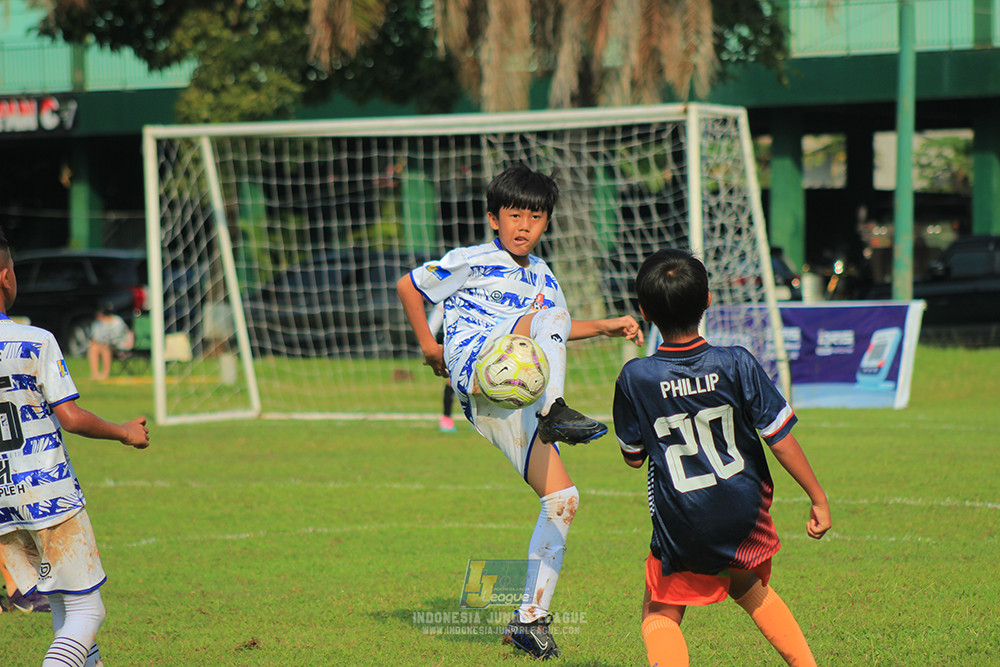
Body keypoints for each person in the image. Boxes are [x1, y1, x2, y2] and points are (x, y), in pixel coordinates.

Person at [398, 163, 643, 660]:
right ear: (494, 218)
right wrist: (429, 347)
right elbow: (409, 286)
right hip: (477, 363)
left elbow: (551, 327)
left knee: (564, 500)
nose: (523, 225)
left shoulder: (544, 277)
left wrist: (606, 327)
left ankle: (528, 622)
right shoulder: (474, 260)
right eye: (514, 215)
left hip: (511, 392)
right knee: (547, 315)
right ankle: (555, 410)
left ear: (547, 222)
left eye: (535, 216)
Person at [612, 248, 832, 667]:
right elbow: (780, 438)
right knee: (746, 582)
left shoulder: (635, 377)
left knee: (659, 612)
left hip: (685, 518)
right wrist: (817, 496)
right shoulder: (737, 362)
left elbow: (634, 457)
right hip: (744, 510)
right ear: (708, 299)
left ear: (643, 311)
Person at [0, 229, 150, 666]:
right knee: (89, 610)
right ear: (6, 276)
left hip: (2, 502)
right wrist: (124, 431)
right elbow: (69, 416)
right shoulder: (35, 340)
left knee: (66, 608)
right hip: (47, 494)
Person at [427, 302, 457, 433]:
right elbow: (431, 326)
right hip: (455, 343)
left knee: (479, 381)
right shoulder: (446, 300)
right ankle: (446, 418)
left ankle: (479, 418)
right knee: (453, 379)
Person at [87, 302, 132, 380]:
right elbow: (95, 337)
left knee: (105, 348)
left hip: (119, 345)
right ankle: (95, 373)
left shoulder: (117, 321)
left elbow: (119, 336)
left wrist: (107, 343)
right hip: (103, 344)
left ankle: (105, 373)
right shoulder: (97, 323)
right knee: (93, 348)